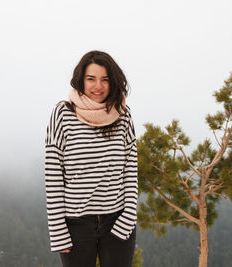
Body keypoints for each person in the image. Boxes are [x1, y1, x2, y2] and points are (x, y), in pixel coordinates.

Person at [44, 50, 138, 267]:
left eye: (105, 79)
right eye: (91, 79)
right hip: (75, 226)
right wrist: (58, 231)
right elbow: (53, 175)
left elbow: (130, 170)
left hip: (117, 221)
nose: (98, 86)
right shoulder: (63, 114)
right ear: (81, 80)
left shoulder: (123, 115)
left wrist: (128, 218)